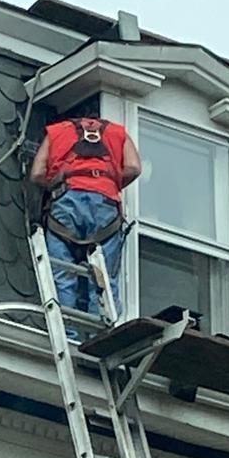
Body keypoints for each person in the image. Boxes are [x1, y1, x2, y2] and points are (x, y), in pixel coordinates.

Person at [29, 116, 142, 320]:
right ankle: (101, 333)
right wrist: (112, 183)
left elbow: (37, 173)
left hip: (67, 201)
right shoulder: (117, 132)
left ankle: (68, 330)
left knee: (62, 274)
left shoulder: (57, 132)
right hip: (105, 205)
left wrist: (54, 185)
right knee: (103, 277)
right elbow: (134, 167)